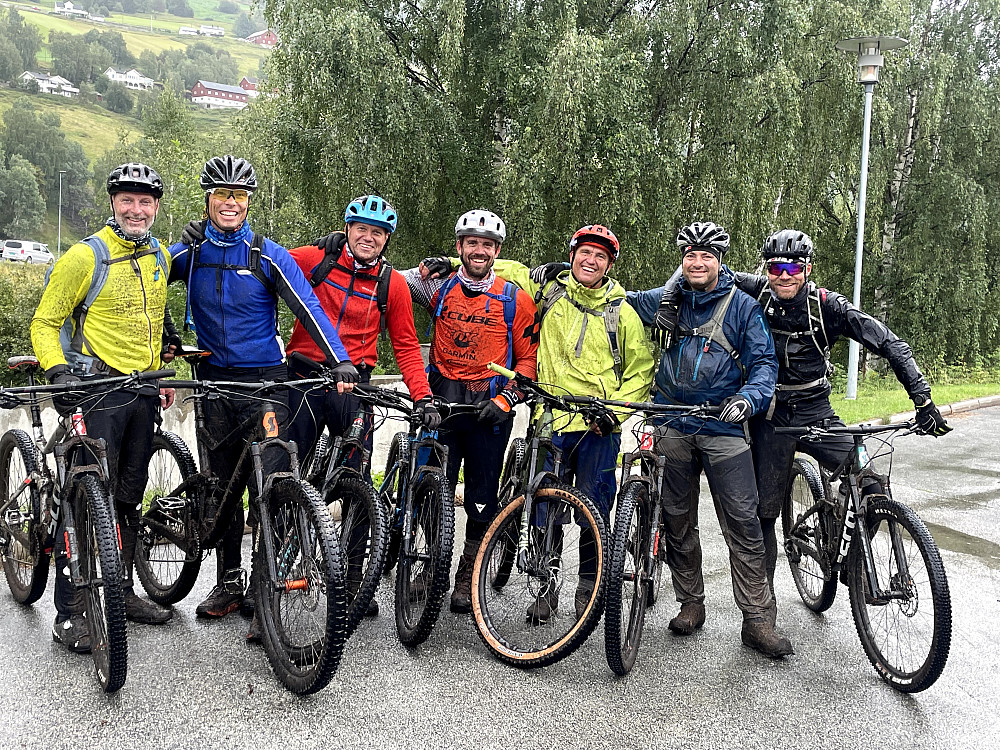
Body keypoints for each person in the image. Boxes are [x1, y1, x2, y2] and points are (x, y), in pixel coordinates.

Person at [657, 229, 951, 597]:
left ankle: (849, 556)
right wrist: (669, 299)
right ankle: (763, 610)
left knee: (871, 483)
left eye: (793, 267)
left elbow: (889, 342)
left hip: (817, 412)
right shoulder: (754, 290)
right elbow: (698, 266)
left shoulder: (828, 306)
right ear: (767, 268)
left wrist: (923, 400)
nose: (784, 275)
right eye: (777, 266)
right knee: (763, 513)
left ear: (808, 268)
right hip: (769, 418)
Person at [423, 223, 654, 622]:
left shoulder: (623, 312)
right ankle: (547, 588)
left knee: (594, 507)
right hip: (551, 418)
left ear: (609, 264)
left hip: (598, 425)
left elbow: (640, 371)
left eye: (600, 256)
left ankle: (588, 583)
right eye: (585, 252)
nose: (591, 260)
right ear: (572, 255)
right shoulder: (549, 292)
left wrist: (614, 413)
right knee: (546, 505)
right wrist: (447, 259)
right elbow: (498, 265)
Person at [170, 155, 357, 622]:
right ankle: (228, 581)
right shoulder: (189, 254)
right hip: (212, 379)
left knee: (270, 482)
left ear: (248, 202)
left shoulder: (266, 254)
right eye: (221, 194)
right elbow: (141, 282)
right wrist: (169, 335)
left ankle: (261, 582)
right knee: (220, 483)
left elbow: (308, 306)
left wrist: (340, 361)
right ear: (208, 200)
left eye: (239, 195)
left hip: (266, 381)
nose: (230, 203)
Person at [627, 221, 793, 658]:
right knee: (677, 517)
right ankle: (690, 603)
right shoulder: (667, 301)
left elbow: (763, 363)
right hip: (672, 423)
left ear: (720, 261)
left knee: (743, 520)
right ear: (682, 260)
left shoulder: (742, 306)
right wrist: (551, 276)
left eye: (706, 256)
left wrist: (749, 399)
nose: (697, 263)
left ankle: (757, 619)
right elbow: (609, 299)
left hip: (723, 426)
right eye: (690, 255)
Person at [31, 162, 176, 652]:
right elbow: (45, 322)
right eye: (127, 200)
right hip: (94, 391)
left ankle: (121, 593)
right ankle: (69, 613)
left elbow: (152, 316)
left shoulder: (158, 253)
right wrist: (57, 372)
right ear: (113, 202)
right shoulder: (84, 256)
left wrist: (163, 360)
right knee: (85, 501)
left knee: (129, 499)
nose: (137, 210)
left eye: (146, 202)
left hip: (142, 392)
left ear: (156, 207)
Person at [287, 195, 439, 618]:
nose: (368, 238)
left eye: (378, 233)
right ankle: (267, 581)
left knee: (357, 482)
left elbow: (407, 345)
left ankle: (356, 583)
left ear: (386, 239)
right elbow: (263, 263)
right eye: (361, 230)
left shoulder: (393, 285)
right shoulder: (315, 259)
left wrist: (422, 395)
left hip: (355, 386)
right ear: (347, 230)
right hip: (303, 378)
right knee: (285, 476)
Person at [405, 209, 538, 614]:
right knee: (431, 489)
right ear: (460, 246)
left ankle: (467, 572)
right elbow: (389, 277)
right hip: (442, 402)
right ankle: (434, 567)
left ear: (497, 251)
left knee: (481, 497)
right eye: (471, 243)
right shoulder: (438, 286)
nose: (479, 251)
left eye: (488, 245)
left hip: (488, 410)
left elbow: (529, 362)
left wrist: (507, 401)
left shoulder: (516, 298)